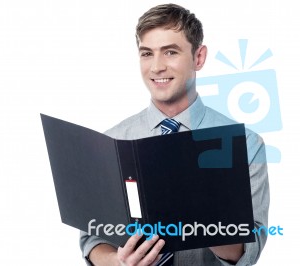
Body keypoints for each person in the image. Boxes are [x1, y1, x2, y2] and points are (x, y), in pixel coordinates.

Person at [79, 3, 269, 266]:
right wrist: (115, 262)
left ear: (198, 58)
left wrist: (201, 212)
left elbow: (251, 247)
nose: (156, 67)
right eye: (147, 53)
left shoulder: (245, 145)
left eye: (170, 52)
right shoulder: (111, 142)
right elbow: (91, 236)